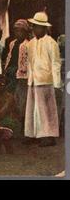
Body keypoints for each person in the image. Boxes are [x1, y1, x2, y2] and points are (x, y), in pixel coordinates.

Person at [24, 12, 61, 147]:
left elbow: (56, 63)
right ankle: (33, 134)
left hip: (46, 80)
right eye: (34, 26)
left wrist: (56, 83)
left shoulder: (51, 43)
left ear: (44, 28)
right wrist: (29, 77)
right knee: (32, 108)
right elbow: (29, 62)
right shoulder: (31, 43)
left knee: (46, 109)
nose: (35, 29)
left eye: (38, 27)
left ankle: (48, 135)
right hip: (33, 80)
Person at [4, 19, 30, 129]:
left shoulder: (27, 45)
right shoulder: (12, 43)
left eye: (21, 31)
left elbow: (28, 61)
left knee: (21, 99)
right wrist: (6, 69)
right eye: (16, 31)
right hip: (11, 73)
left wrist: (22, 70)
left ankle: (23, 124)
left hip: (21, 75)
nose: (18, 34)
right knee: (10, 98)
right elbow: (10, 57)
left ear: (25, 32)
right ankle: (10, 123)